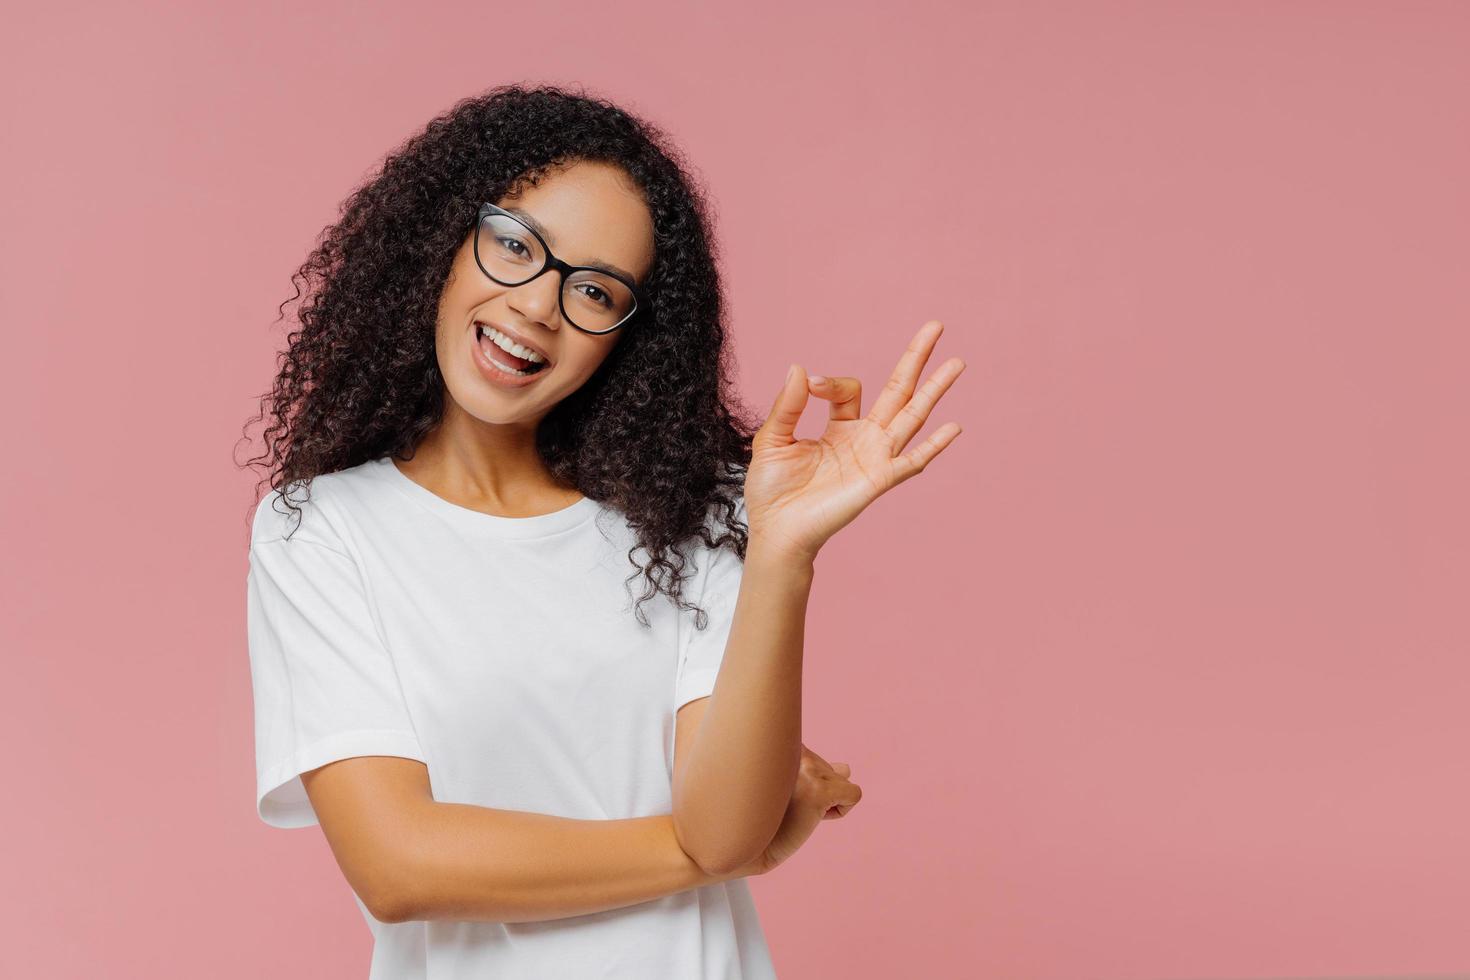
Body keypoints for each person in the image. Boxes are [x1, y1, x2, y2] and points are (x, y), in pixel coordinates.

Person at [240, 83, 964, 979]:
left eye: (594, 289)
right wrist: (714, 854)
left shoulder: (693, 519)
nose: (540, 307)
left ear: (629, 339)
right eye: (514, 246)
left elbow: (728, 822)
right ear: (440, 243)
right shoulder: (322, 531)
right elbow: (398, 864)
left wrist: (784, 549)